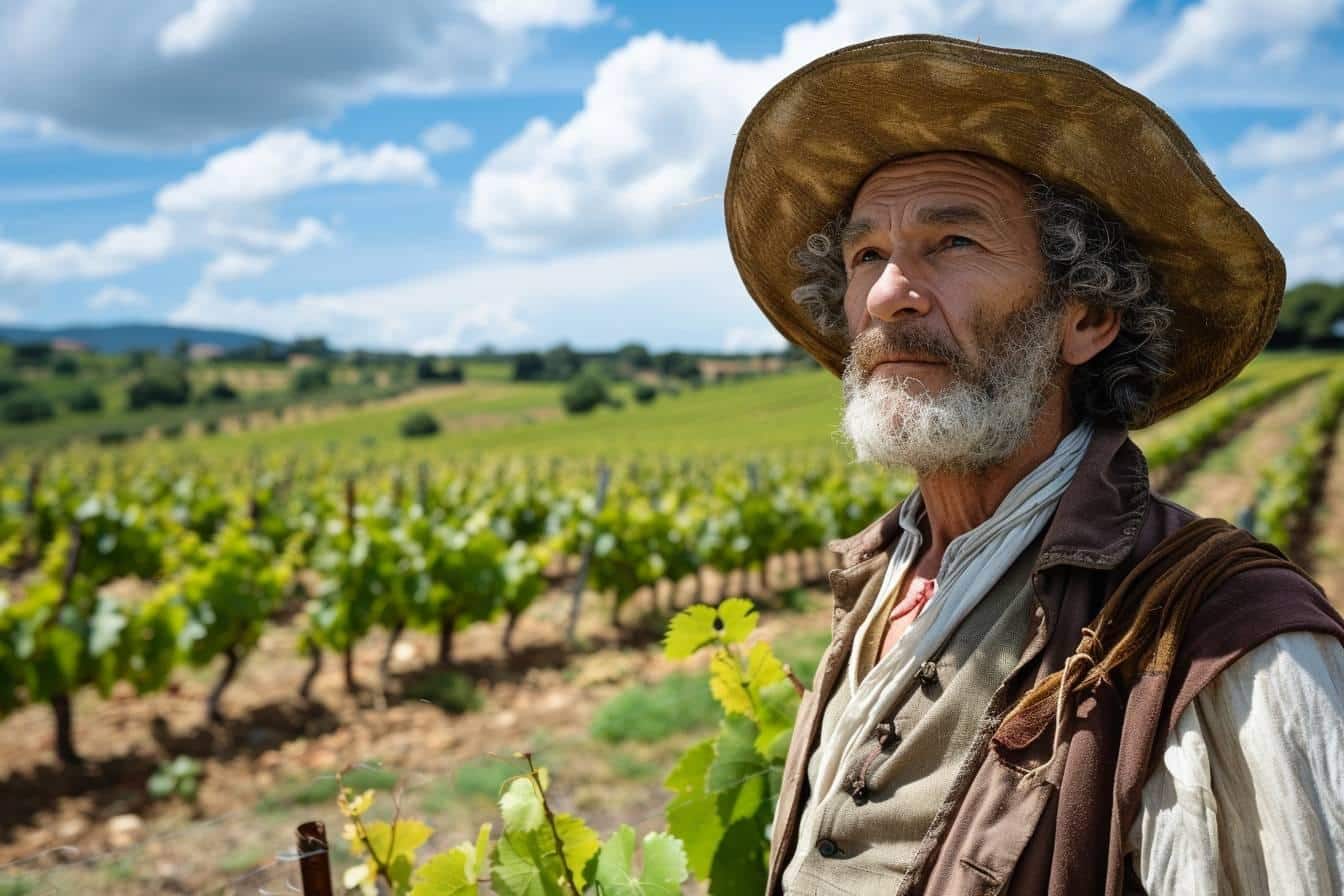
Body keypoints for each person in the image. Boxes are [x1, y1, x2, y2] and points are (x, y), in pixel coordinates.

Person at [722, 34, 1344, 895]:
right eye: (867, 254)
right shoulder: (877, 583)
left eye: (953, 243)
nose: (887, 292)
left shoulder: (1224, 637)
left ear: (1086, 319)